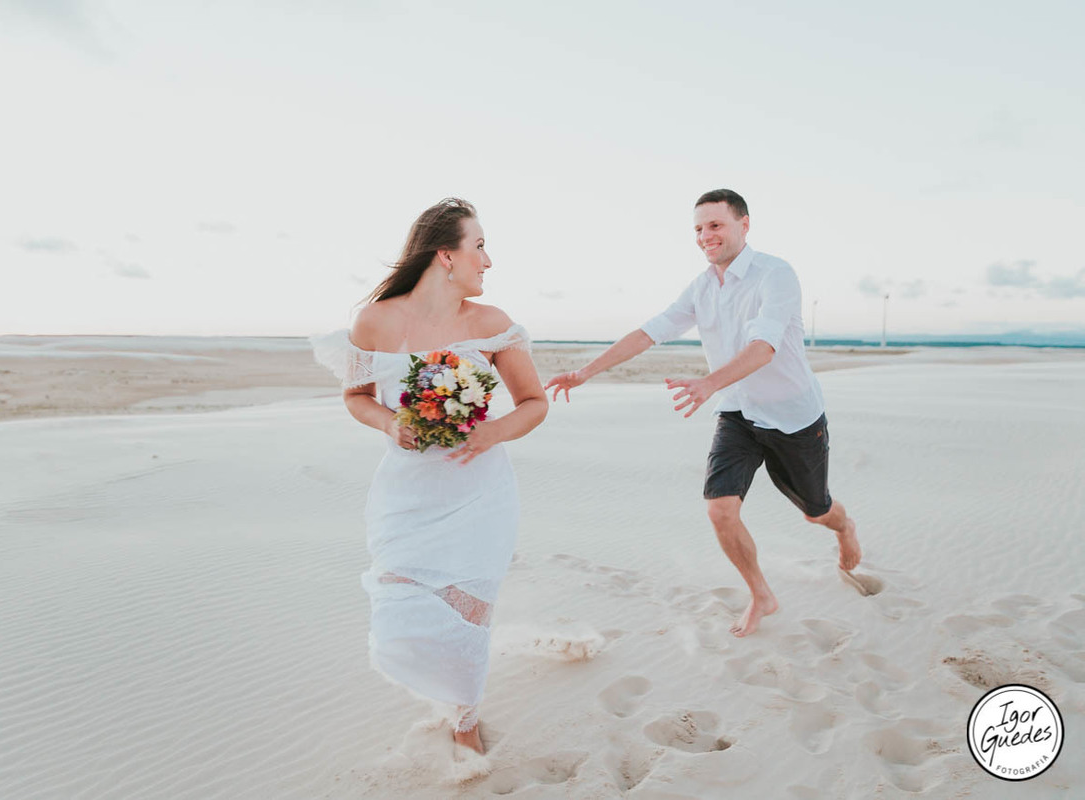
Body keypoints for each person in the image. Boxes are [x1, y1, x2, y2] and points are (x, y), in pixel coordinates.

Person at [544, 189, 861, 638]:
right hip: (737, 411)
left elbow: (764, 347)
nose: (705, 236)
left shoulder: (776, 275)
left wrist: (709, 383)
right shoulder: (702, 287)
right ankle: (761, 595)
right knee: (720, 510)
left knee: (816, 511)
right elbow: (649, 332)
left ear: (743, 225)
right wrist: (584, 372)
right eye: (698, 228)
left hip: (793, 417)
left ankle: (844, 528)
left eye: (715, 225)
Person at [311, 198, 548, 754]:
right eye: (479, 246)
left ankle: (465, 716)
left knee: (469, 612)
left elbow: (534, 403)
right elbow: (356, 397)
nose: (487, 260)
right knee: (401, 607)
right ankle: (441, 687)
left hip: (481, 494)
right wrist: (391, 423)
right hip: (408, 494)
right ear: (446, 255)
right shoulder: (374, 321)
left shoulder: (492, 325)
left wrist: (493, 431)